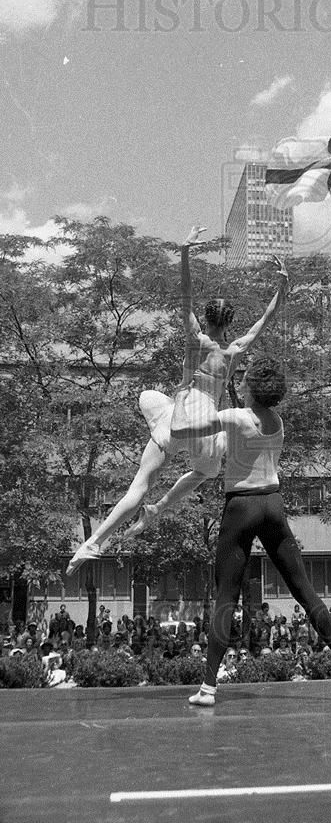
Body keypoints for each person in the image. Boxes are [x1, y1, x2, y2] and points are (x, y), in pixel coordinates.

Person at [66, 229, 288, 574]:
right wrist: (281, 287)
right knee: (203, 471)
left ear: (208, 317)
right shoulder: (232, 351)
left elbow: (185, 298)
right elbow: (265, 321)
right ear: (229, 322)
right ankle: (159, 508)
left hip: (180, 416)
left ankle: (93, 542)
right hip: (204, 423)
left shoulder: (197, 341)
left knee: (139, 481)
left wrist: (184, 252)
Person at [187, 356, 331, 706]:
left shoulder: (235, 417)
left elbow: (188, 429)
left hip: (241, 507)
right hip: (273, 504)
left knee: (226, 595)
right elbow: (246, 426)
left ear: (251, 388)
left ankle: (208, 688)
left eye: (244, 380)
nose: (239, 383)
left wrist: (188, 395)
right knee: (304, 589)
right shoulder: (277, 422)